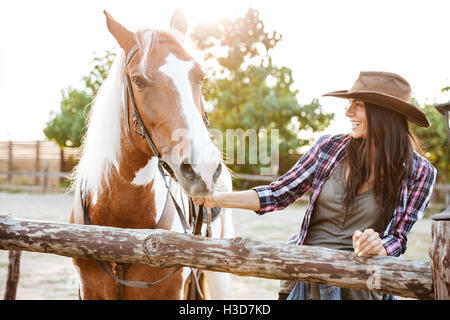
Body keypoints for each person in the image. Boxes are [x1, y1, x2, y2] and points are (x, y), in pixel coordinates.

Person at [193, 71, 436, 300]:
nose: (348, 112)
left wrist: (379, 246)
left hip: (363, 284)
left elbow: (398, 237)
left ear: (384, 113)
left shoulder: (420, 172)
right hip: (306, 275)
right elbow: (278, 194)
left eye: (358, 105)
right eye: (348, 104)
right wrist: (216, 198)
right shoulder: (328, 148)